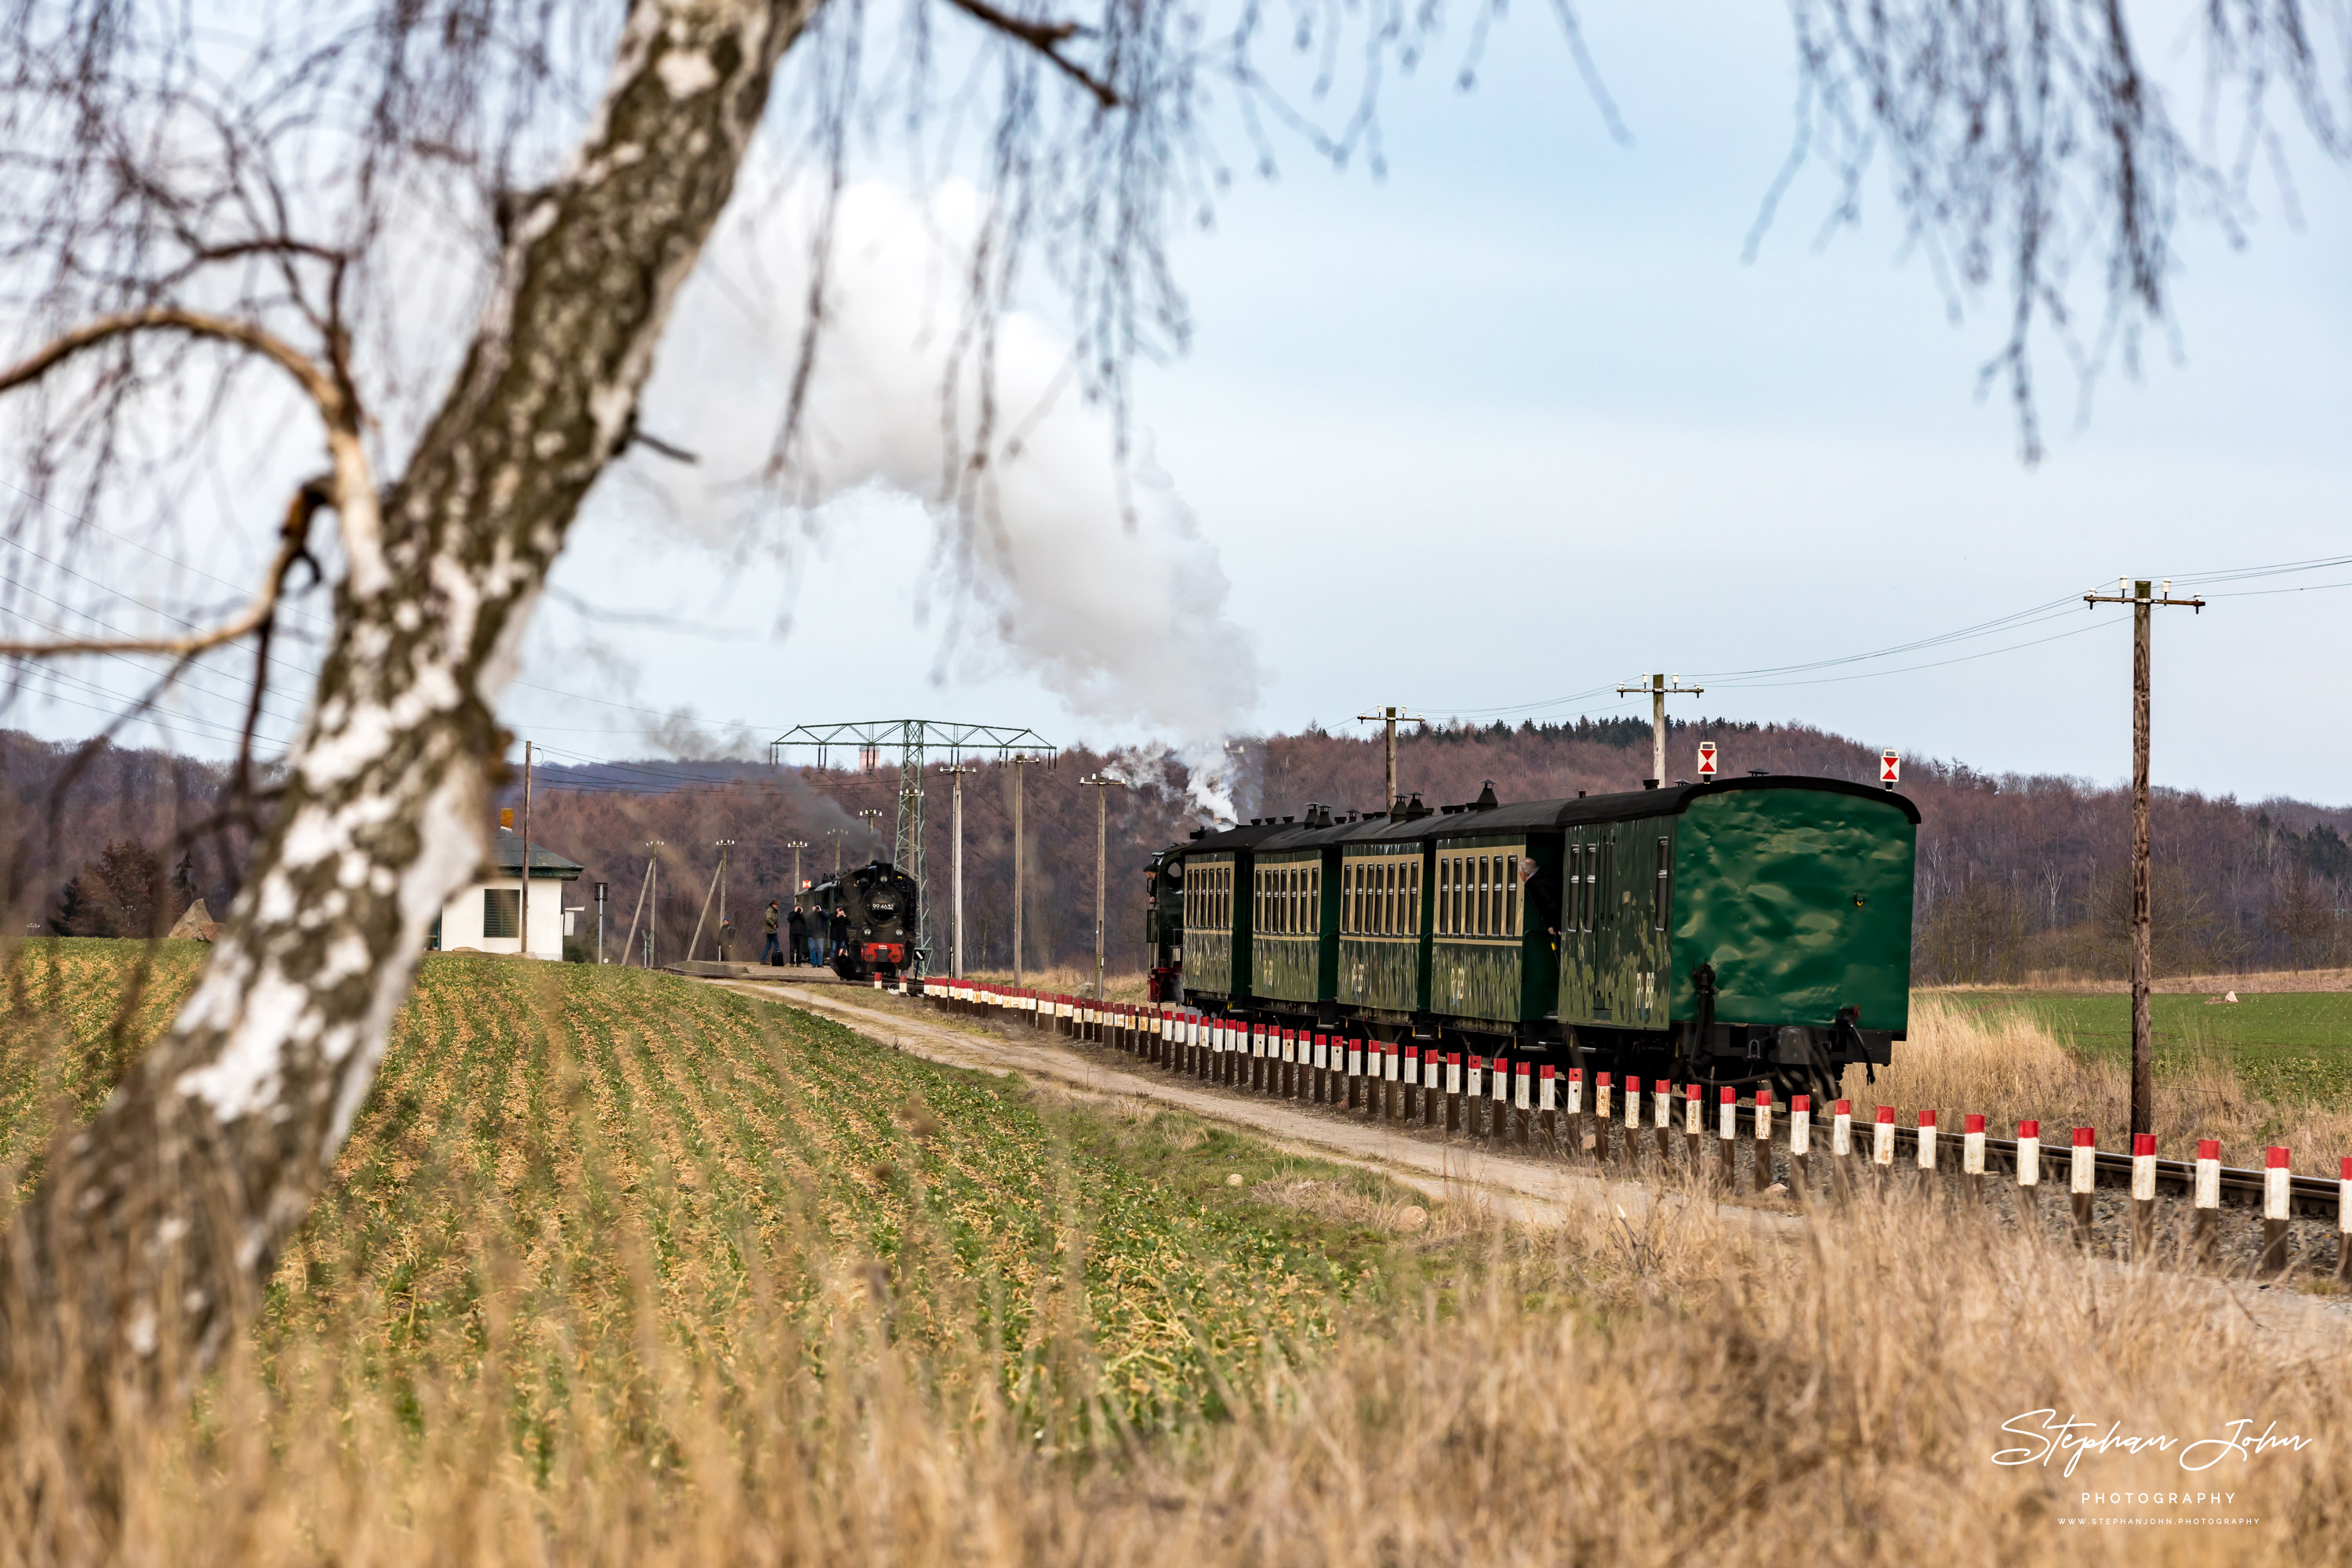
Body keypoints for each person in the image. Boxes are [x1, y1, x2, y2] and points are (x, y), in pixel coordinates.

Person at [829, 904, 850, 970]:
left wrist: (844, 917)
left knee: (842, 950)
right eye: (839, 909)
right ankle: (832, 963)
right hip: (834, 936)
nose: (840, 910)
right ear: (836, 909)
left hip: (842, 936)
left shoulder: (844, 915)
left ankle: (841, 963)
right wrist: (838, 915)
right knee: (833, 950)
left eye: (841, 909)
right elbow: (832, 920)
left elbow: (848, 923)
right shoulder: (833, 915)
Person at [786, 902, 808, 966]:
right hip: (793, 934)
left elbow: (805, 921)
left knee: (800, 949)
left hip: (800, 934)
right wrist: (795, 913)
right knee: (792, 949)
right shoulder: (791, 913)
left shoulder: (802, 914)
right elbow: (790, 920)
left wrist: (801, 914)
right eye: (797, 907)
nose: (798, 909)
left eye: (799, 907)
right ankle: (792, 962)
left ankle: (799, 963)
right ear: (794, 907)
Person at [762, 900, 782, 965]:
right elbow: (767, 919)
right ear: (773, 904)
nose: (777, 905)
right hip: (771, 930)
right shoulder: (770, 911)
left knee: (768, 945)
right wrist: (773, 924)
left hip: (770, 930)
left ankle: (763, 959)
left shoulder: (773, 910)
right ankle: (777, 961)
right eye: (776, 904)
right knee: (777, 944)